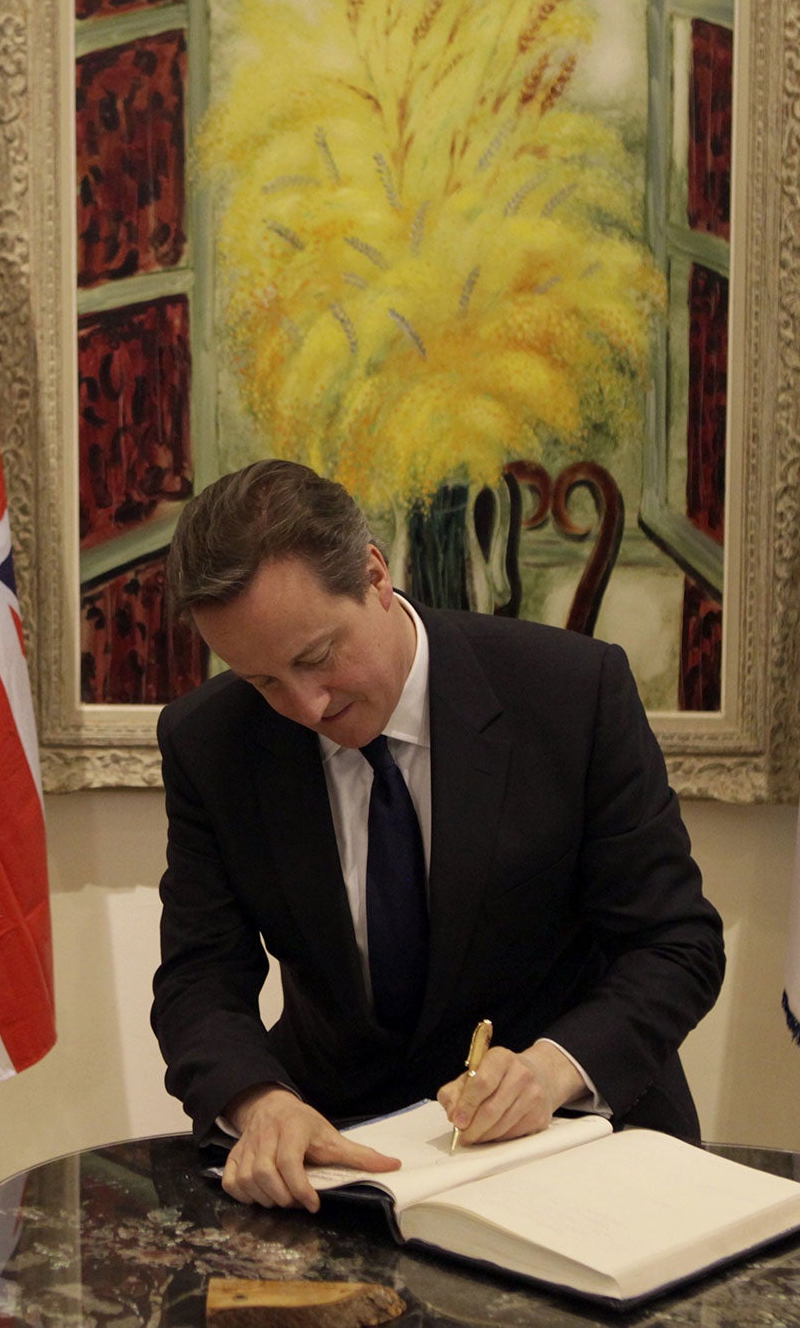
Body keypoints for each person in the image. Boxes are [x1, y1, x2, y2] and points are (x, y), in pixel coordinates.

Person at [150, 460, 725, 1212]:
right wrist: (260, 1103)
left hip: (581, 1148)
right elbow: (199, 978)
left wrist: (553, 1068)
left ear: (375, 574)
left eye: (316, 657)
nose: (305, 705)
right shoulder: (211, 741)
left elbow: (676, 943)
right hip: (348, 1164)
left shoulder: (569, 693)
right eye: (262, 681)